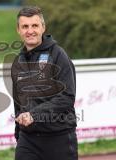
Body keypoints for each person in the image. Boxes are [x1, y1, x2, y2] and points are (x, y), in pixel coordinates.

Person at [11, 6, 78, 160]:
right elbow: (18, 103)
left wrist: (35, 115)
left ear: (43, 27)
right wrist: (19, 134)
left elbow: (67, 97)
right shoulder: (17, 62)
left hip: (58, 138)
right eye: (25, 26)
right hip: (28, 140)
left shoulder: (58, 55)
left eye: (34, 25)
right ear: (18, 30)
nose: (30, 31)